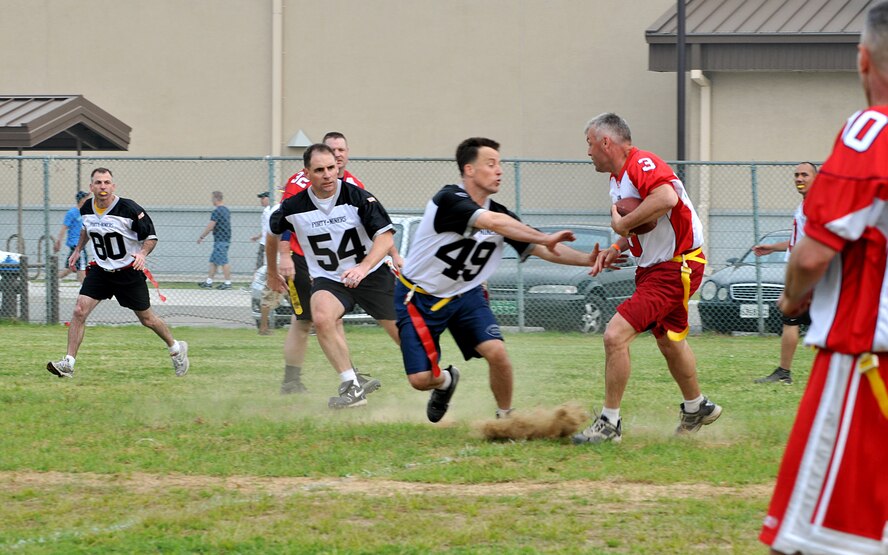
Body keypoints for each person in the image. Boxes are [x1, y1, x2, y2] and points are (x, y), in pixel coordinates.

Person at [760, 3, 888, 553]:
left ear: (862, 59)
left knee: (821, 538)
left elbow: (812, 257)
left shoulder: (870, 131)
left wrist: (792, 297)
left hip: (866, 364)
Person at [395, 137, 593, 423]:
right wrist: (544, 236)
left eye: (500, 164)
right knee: (421, 378)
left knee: (497, 352)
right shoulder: (448, 200)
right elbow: (493, 223)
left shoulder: (502, 215)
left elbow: (542, 248)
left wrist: (589, 260)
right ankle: (446, 382)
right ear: (469, 170)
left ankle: (505, 418)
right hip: (419, 296)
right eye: (491, 164)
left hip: (466, 294)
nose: (499, 170)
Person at [572, 113, 722, 445]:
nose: (588, 152)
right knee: (669, 340)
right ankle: (697, 406)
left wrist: (621, 226)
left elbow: (666, 199)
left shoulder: (642, 162)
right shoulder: (616, 178)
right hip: (655, 268)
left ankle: (609, 424)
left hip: (675, 266)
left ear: (606, 142)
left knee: (614, 335)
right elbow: (645, 219)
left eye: (589, 144)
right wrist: (617, 245)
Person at [267, 143, 399, 408]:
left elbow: (384, 236)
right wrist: (273, 269)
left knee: (402, 336)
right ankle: (352, 388)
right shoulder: (294, 204)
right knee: (321, 317)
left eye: (331, 168)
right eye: (320, 170)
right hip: (329, 277)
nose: (327, 174)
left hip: (370, 274)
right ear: (307, 172)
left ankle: (437, 378)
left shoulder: (358, 195)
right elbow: (273, 232)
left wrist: (366, 266)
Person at [46, 168, 189, 378]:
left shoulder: (129, 208)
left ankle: (176, 348)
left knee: (147, 319)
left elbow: (150, 236)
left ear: (113, 186)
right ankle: (68, 363)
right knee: (79, 311)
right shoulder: (86, 207)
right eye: (98, 182)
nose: (102, 186)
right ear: (91, 187)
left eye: (106, 182)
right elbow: (87, 228)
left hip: (128, 272)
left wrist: (142, 254)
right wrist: (78, 250)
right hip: (101, 271)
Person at [751, 162, 817, 385]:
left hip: (810, 274)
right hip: (804, 272)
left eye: (804, 175)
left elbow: (820, 242)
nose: (799, 178)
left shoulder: (816, 204)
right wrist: (773, 247)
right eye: (796, 175)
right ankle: (784, 372)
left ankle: (784, 373)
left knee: (793, 320)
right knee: (794, 320)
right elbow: (797, 240)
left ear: (816, 178)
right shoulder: (805, 204)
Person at [197, 190, 232, 290]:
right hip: (223, 239)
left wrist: (202, 236)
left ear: (216, 199)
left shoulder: (217, 211)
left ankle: (228, 283)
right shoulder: (226, 210)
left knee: (223, 261)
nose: (211, 201)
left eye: (212, 199)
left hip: (221, 240)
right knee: (214, 261)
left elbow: (211, 225)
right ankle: (209, 282)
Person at [53, 190, 90, 282]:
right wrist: (58, 241)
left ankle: (52, 281)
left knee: (68, 269)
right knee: (82, 270)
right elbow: (64, 228)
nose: (87, 200)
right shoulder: (72, 213)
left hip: (79, 245)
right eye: (85, 198)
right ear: (81, 200)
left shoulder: (85, 212)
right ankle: (86, 292)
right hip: (77, 246)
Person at [250, 191, 272, 270]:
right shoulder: (269, 209)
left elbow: (269, 227)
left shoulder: (267, 210)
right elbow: (266, 227)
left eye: (263, 198)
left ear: (269, 198)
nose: (261, 200)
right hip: (265, 240)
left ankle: (258, 280)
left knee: (260, 264)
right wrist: (258, 236)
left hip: (266, 242)